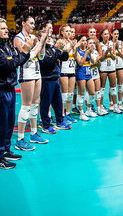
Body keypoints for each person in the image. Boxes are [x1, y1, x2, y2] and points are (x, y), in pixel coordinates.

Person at [0, 18, 33, 169]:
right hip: (2, 90)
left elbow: (15, 61)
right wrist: (25, 51)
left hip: (10, 88)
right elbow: (9, 64)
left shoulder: (5, 46)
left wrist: (23, 54)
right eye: (3, 28)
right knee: (1, 124)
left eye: (6, 27)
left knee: (8, 122)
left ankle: (6, 149)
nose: (6, 30)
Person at [14, 15, 48, 151]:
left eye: (34, 23)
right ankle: (20, 139)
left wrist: (43, 42)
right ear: (23, 23)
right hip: (26, 72)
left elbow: (41, 56)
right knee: (26, 106)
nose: (34, 26)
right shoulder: (18, 38)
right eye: (31, 23)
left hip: (36, 71)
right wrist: (39, 44)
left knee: (35, 104)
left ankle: (34, 133)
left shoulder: (33, 37)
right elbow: (27, 57)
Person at [39, 24, 72, 133]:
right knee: (45, 104)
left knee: (58, 102)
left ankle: (60, 121)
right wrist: (58, 49)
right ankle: (46, 125)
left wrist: (64, 50)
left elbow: (64, 58)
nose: (49, 39)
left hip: (54, 78)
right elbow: (48, 61)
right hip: (46, 80)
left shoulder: (52, 48)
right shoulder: (42, 50)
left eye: (50, 37)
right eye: (47, 37)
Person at [99, 29, 121, 114]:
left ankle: (115, 106)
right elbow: (101, 58)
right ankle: (101, 107)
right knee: (102, 88)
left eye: (108, 34)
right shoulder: (99, 44)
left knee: (113, 88)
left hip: (112, 67)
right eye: (105, 34)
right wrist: (107, 51)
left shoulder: (112, 44)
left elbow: (114, 57)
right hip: (103, 68)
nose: (107, 36)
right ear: (102, 35)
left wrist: (110, 52)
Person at [58, 24, 78, 124]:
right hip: (63, 71)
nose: (69, 33)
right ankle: (61, 115)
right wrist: (72, 47)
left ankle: (68, 113)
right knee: (64, 95)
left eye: (70, 31)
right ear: (62, 32)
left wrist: (75, 48)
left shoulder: (71, 42)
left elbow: (74, 57)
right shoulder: (60, 42)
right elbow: (63, 54)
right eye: (66, 31)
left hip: (71, 70)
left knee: (70, 94)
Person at [75, 36, 97, 121]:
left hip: (88, 72)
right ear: (79, 42)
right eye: (82, 41)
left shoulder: (87, 51)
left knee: (92, 93)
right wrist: (87, 53)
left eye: (85, 41)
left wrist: (90, 52)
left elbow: (93, 61)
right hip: (81, 73)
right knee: (81, 94)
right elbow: (80, 62)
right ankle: (81, 113)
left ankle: (88, 110)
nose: (84, 42)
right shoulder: (77, 51)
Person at [113, 29, 123, 111]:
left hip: (120, 65)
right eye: (115, 34)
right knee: (112, 86)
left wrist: (117, 49)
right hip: (112, 66)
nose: (116, 35)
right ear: (111, 34)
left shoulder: (121, 43)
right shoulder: (109, 43)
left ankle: (120, 102)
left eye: (117, 34)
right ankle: (111, 103)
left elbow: (122, 55)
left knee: (120, 85)